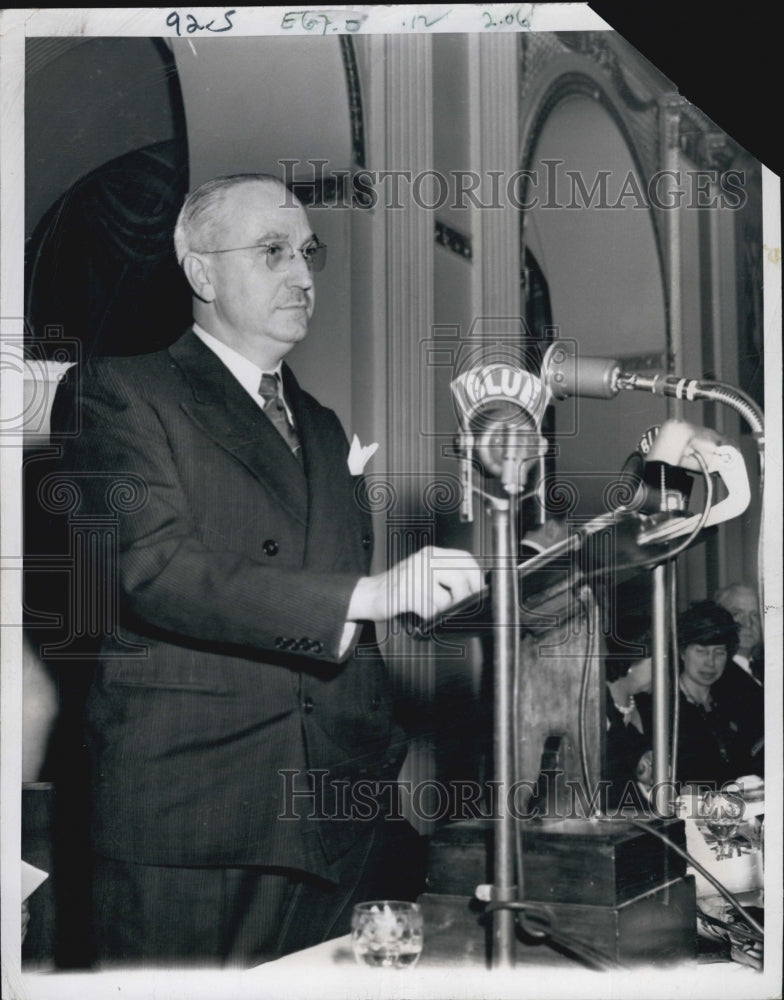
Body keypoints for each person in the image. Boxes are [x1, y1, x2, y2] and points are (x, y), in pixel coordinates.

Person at [50, 173, 482, 967]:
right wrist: (372, 593)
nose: (304, 275)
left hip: (336, 817)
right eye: (274, 251)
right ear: (203, 272)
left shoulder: (319, 423)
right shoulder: (118, 393)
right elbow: (153, 570)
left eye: (308, 253)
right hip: (194, 816)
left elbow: (335, 611)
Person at [637, 601, 752, 789]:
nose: (710, 662)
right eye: (701, 651)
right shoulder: (658, 707)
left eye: (719, 652)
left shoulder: (733, 704)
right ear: (682, 652)